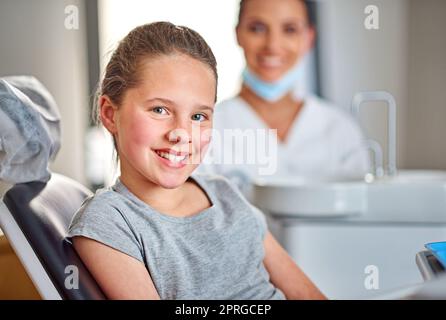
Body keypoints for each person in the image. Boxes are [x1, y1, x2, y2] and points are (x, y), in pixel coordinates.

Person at [68, 22, 325, 300]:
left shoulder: (223, 192)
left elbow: (307, 294)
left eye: (198, 117)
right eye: (160, 109)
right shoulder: (110, 221)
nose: (180, 134)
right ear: (109, 113)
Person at [201, 0, 370, 197]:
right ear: (238, 34)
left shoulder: (340, 130)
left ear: (309, 38)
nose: (273, 45)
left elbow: (362, 213)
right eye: (257, 28)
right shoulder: (209, 128)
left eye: (290, 29)